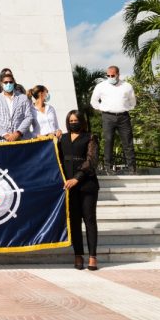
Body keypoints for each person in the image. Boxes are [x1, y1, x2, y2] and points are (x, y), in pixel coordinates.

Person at [57, 110, 100, 271]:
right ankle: (78, 255)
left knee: (89, 221)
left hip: (87, 185)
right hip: (69, 186)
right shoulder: (63, 139)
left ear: (82, 122)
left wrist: (77, 178)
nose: (73, 123)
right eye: (71, 120)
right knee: (74, 222)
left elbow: (91, 160)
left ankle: (93, 257)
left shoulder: (90, 137)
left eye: (76, 120)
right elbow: (57, 157)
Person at [90, 65, 137, 173]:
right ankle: (108, 167)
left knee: (128, 142)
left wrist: (125, 108)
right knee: (108, 141)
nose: (110, 77)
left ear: (118, 74)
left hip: (123, 117)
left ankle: (132, 168)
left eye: (113, 75)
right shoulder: (101, 86)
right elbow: (94, 101)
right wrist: (102, 108)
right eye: (108, 75)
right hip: (108, 117)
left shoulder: (127, 86)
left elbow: (132, 101)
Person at [0, 71, 32, 142]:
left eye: (10, 82)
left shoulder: (23, 98)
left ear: (14, 83)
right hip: (1, 140)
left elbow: (29, 117)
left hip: (20, 139)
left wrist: (18, 133)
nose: (8, 84)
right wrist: (4, 134)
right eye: (6, 82)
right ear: (1, 84)